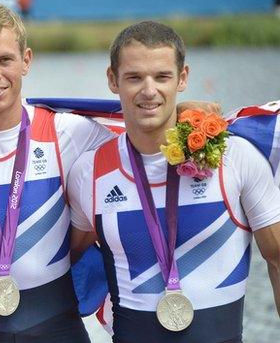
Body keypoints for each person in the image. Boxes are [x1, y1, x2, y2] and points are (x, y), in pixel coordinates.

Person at [67, 21, 280, 342]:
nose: (149, 90)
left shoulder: (235, 157)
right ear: (113, 79)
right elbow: (59, 260)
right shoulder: (90, 171)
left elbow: (277, 261)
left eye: (162, 76)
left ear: (183, 78)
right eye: (135, 77)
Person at [0, 3, 115, 342]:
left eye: (5, 60)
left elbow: (142, 145)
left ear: (26, 60)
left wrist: (180, 110)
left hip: (58, 330)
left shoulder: (69, 132)